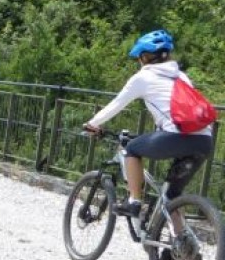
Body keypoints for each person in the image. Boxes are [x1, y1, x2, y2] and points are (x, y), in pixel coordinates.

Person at [83, 29, 214, 219]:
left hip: (176, 137)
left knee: (132, 150)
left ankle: (134, 202)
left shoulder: (143, 77)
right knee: (172, 196)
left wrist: (92, 123)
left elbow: (116, 105)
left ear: (144, 57)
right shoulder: (181, 76)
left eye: (139, 57)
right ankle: (179, 244)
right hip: (204, 141)